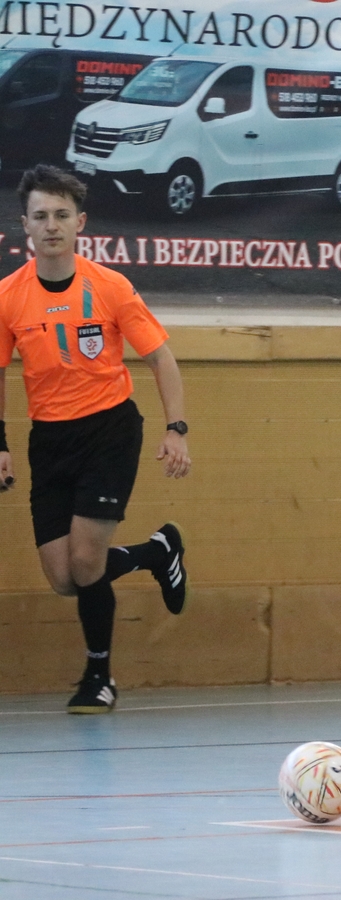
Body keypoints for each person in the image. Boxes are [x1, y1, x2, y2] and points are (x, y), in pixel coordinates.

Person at [0, 165, 190, 714]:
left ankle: (99, 677)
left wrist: (176, 428)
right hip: (49, 440)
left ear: (79, 223)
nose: (51, 225)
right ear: (24, 225)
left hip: (108, 430)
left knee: (86, 562)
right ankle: (157, 551)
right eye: (40, 216)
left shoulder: (109, 286)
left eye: (62, 215)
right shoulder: (9, 296)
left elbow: (160, 358)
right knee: (63, 577)